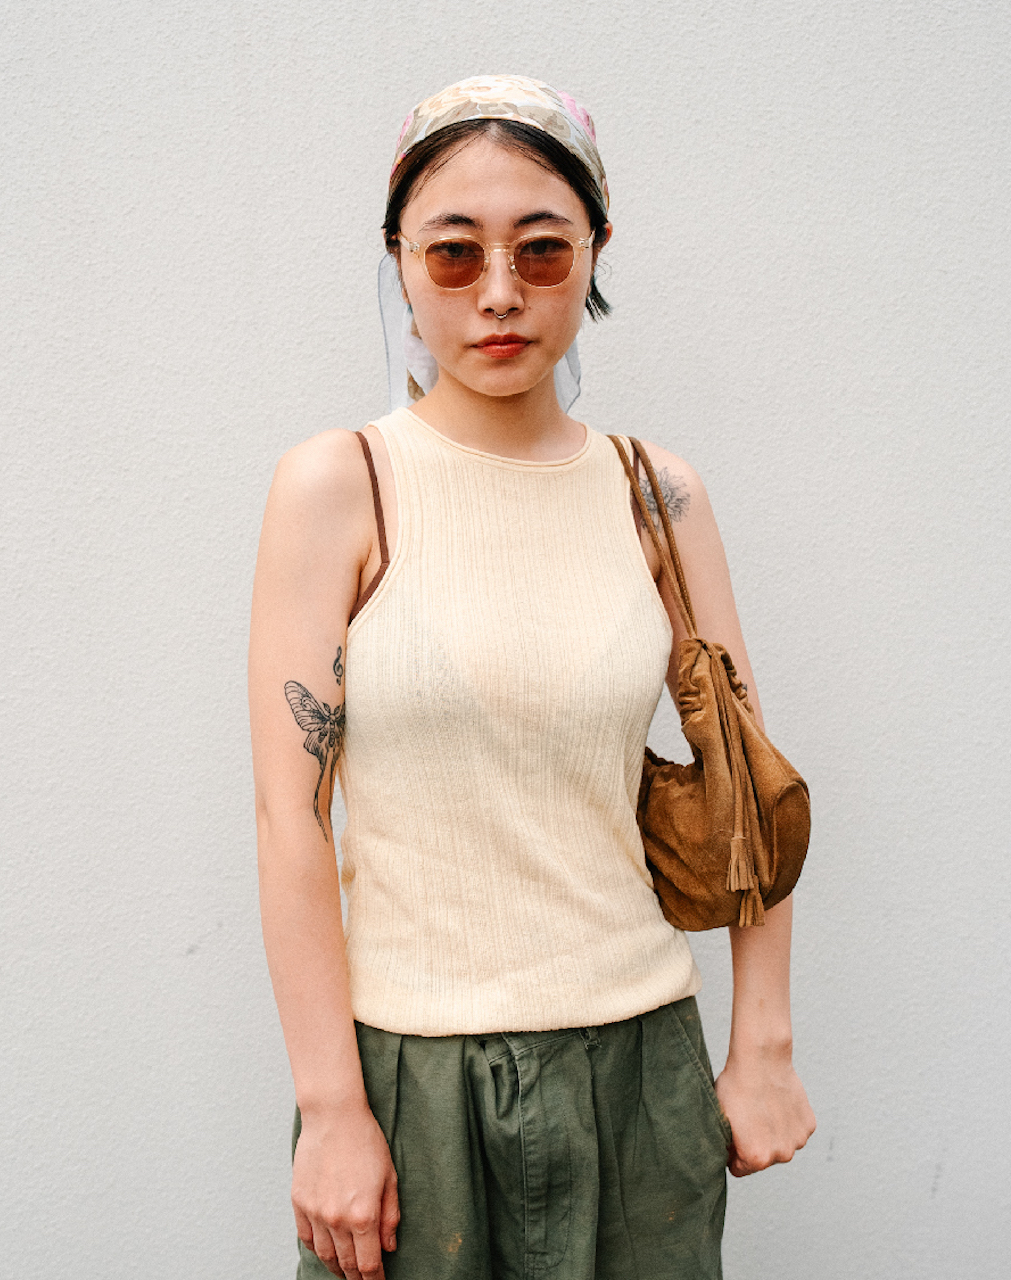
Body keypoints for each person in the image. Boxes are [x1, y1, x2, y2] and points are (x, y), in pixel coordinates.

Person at [249, 75, 815, 1280]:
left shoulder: (656, 495)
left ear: (595, 249)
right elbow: (287, 816)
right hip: (412, 1077)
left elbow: (748, 788)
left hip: (639, 1067)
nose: (498, 292)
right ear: (399, 260)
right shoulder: (340, 484)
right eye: (453, 252)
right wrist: (332, 1107)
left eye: (542, 249)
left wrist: (761, 1042)